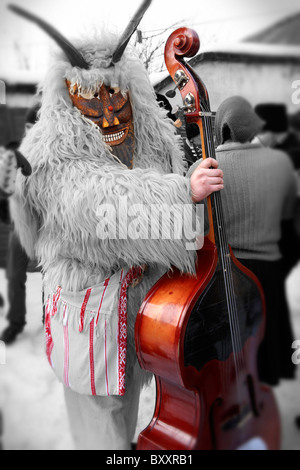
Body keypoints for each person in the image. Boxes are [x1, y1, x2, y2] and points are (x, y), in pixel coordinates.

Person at [4, 3, 224, 450]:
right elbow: (92, 205)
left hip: (147, 319)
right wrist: (181, 193)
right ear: (68, 95)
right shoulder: (49, 144)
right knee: (101, 432)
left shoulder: (153, 132)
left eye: (115, 97)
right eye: (92, 100)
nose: (107, 114)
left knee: (128, 421)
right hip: (91, 324)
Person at [213, 95, 298, 386]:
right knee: (266, 359)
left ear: (221, 127)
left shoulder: (204, 170)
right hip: (270, 275)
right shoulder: (281, 163)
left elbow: (196, 234)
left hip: (228, 276)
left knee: (231, 362)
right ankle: (263, 409)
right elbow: (287, 218)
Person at [0, 103, 40, 345]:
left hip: (47, 225)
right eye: (29, 126)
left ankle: (51, 318)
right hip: (20, 225)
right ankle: (15, 322)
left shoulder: (53, 151)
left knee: (54, 277)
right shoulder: (13, 152)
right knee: (15, 275)